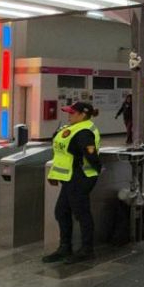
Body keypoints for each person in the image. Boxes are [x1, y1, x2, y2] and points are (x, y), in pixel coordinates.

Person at [43, 102, 101, 264]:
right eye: (68, 112)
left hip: (80, 178)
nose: (69, 115)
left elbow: (91, 154)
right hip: (70, 178)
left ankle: (87, 249)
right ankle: (65, 247)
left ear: (83, 114)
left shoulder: (84, 132)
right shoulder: (73, 128)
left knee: (81, 213)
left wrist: (97, 169)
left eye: (72, 113)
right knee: (61, 211)